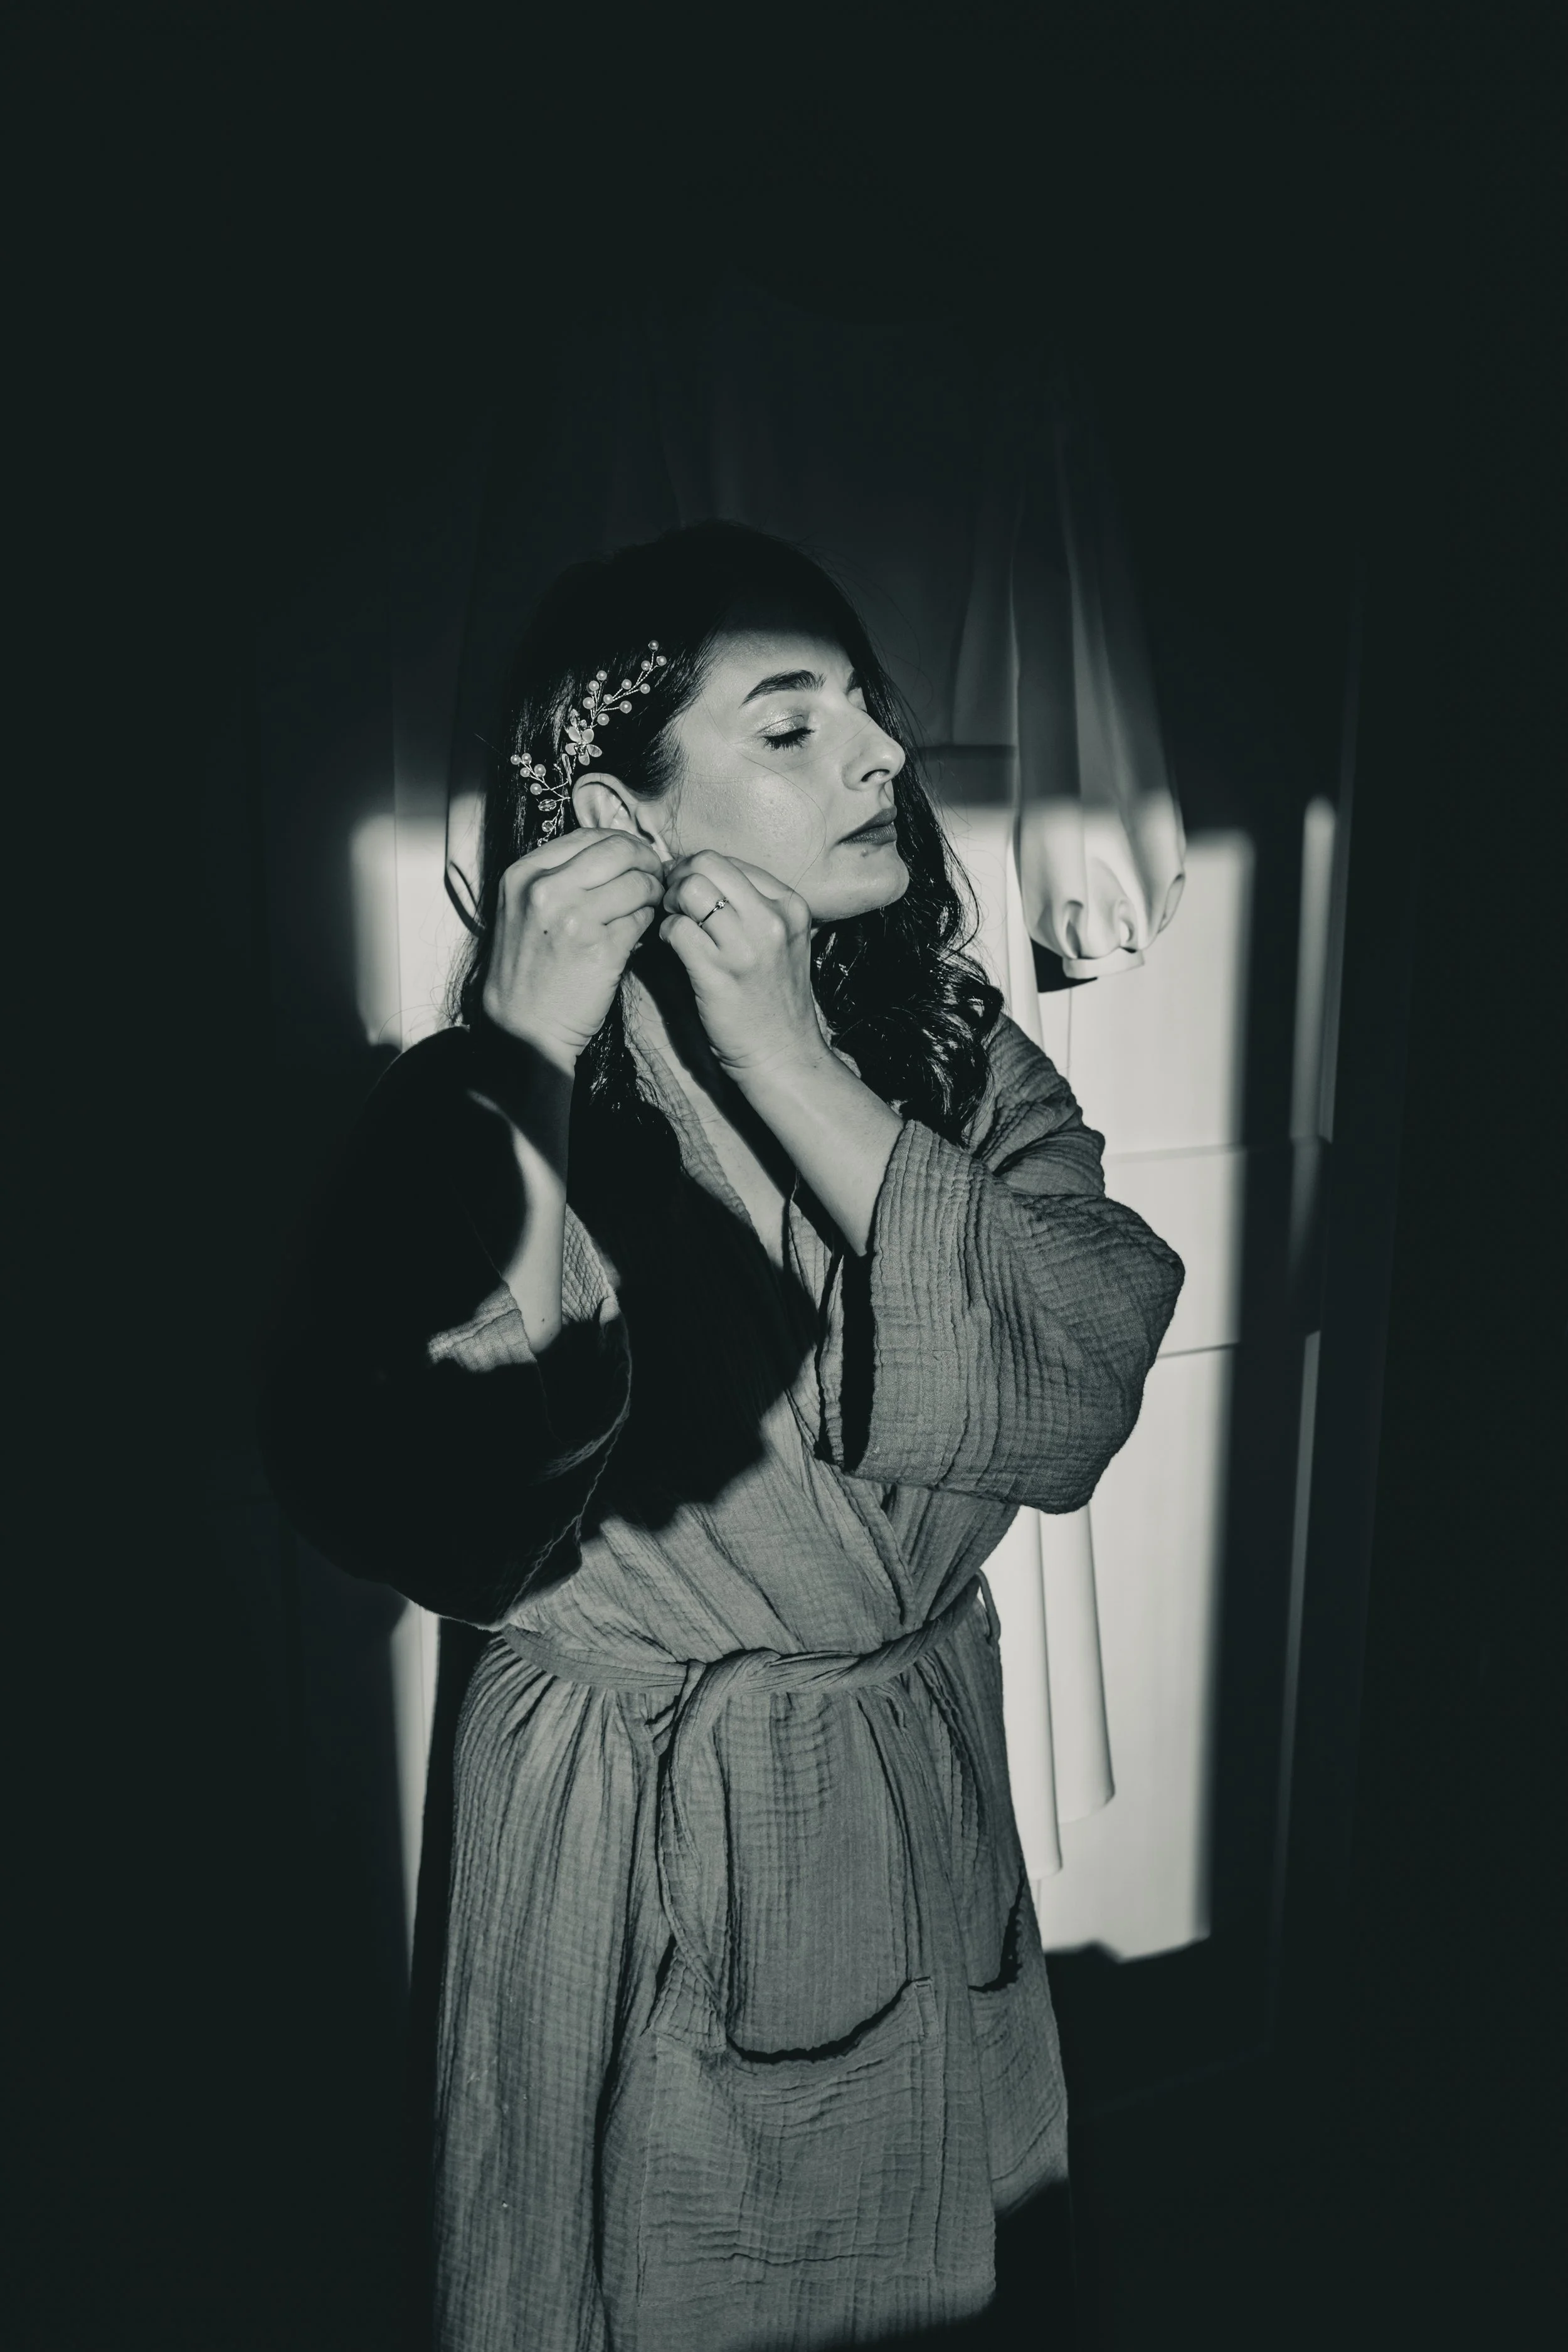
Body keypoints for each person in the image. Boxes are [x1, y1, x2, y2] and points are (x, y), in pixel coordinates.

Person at [258, 520, 1184, 2352]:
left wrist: (788, 1061)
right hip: (639, 1843)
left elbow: (1077, 1377)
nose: (881, 759)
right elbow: (441, 1505)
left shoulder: (945, 1047)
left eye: (866, 708)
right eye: (788, 724)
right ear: (615, 809)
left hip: (910, 1792)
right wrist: (521, 1049)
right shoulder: (487, 1107)